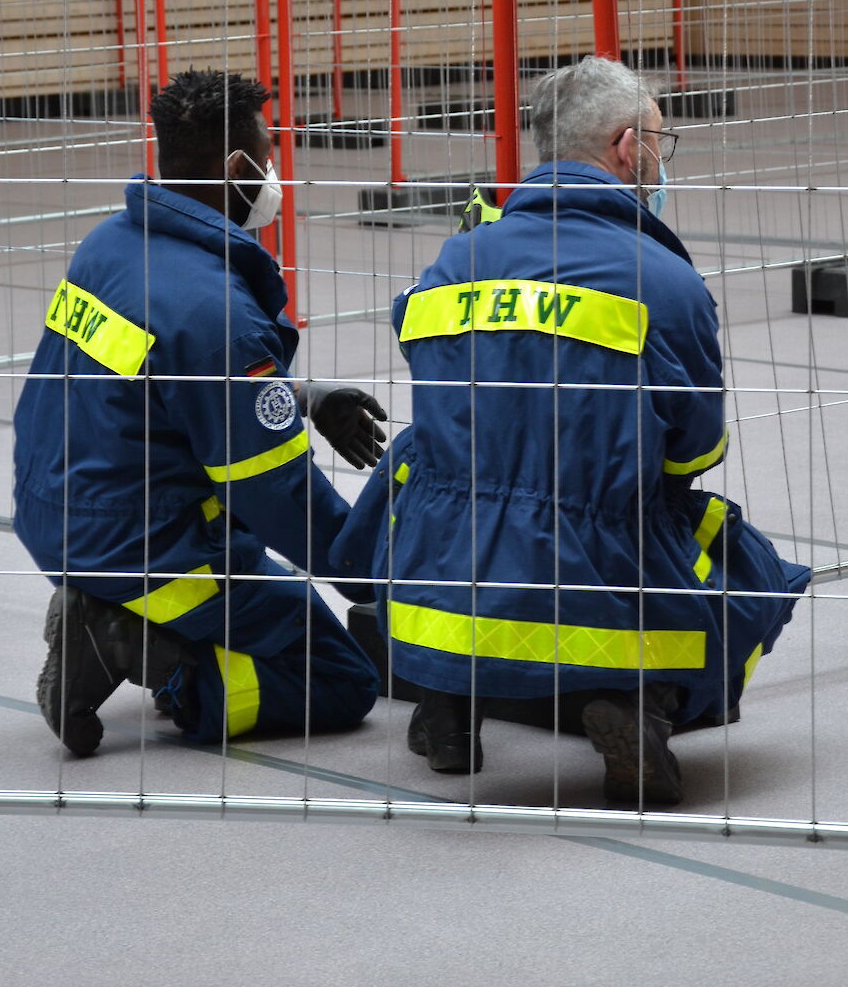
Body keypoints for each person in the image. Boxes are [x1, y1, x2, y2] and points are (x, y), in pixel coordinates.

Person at [332, 55, 808, 805]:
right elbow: (695, 450)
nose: (659, 156)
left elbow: (422, 357)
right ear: (626, 147)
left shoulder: (456, 261)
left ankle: (448, 706)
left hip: (441, 556)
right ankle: (638, 704)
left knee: (430, 464)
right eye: (659, 138)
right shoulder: (663, 281)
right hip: (598, 553)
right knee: (751, 569)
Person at [13, 68, 384, 757]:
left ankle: (115, 615)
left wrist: (300, 397)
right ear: (239, 166)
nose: (275, 174)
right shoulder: (218, 314)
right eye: (269, 156)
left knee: (282, 609)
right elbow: (279, 497)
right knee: (338, 678)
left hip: (57, 513)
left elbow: (154, 391)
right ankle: (143, 651)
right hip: (150, 546)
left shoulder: (111, 246)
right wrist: (380, 576)